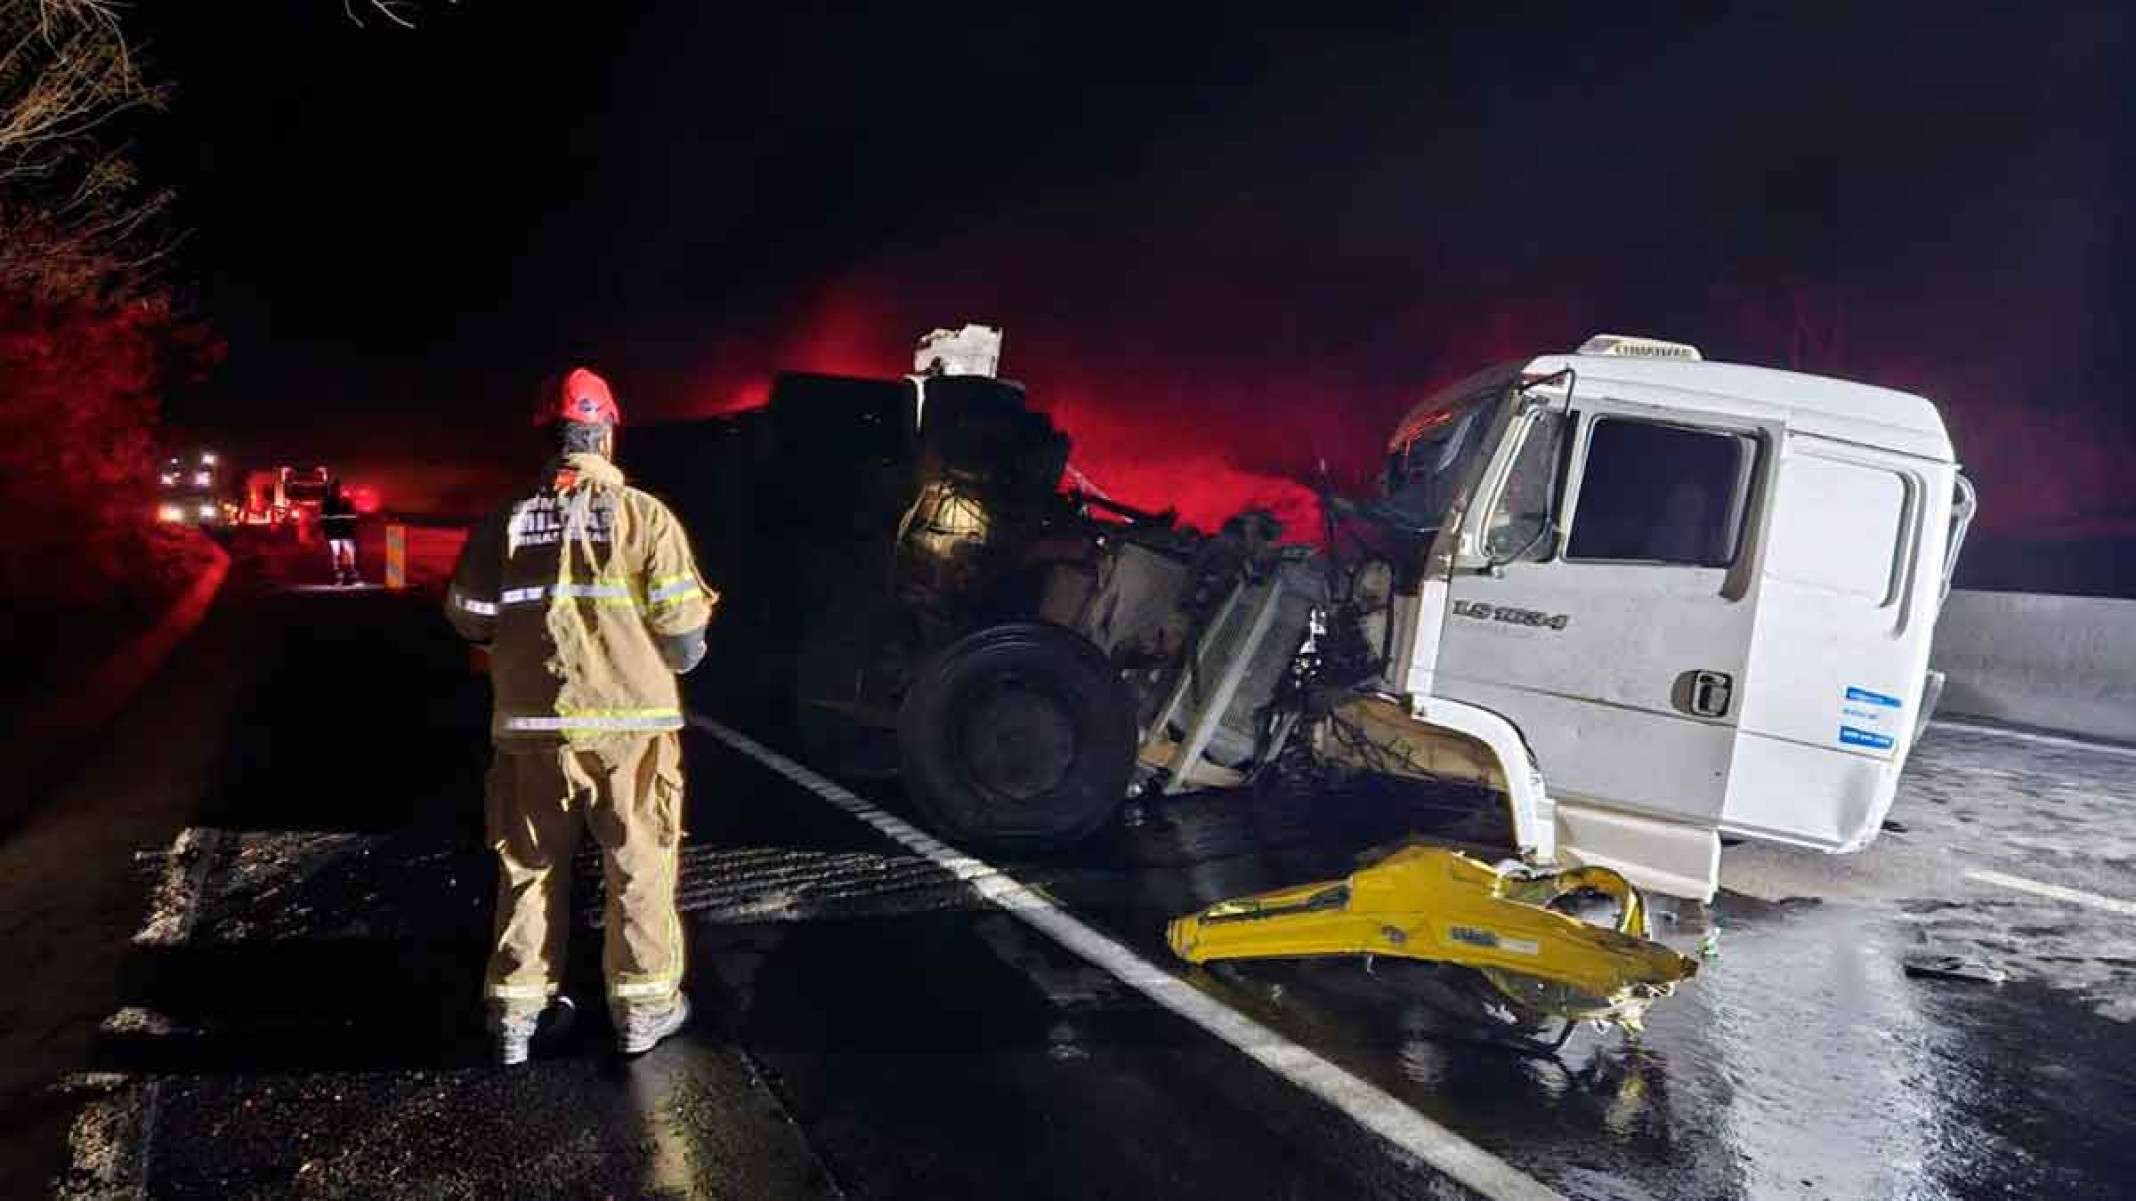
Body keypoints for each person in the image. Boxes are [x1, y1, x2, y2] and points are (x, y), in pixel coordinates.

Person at [444, 367, 717, 1064]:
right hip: (633, 733)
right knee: (640, 867)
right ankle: (645, 1010)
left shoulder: (505, 520)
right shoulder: (646, 517)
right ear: (606, 435)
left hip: (532, 736)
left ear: (548, 437)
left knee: (529, 868)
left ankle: (515, 1017)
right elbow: (684, 643)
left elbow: (469, 620)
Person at [321, 479, 360, 585]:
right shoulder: (332, 501)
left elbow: (324, 517)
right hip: (341, 532)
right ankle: (346, 577)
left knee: (342, 554)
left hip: (338, 532)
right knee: (343, 554)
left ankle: (343, 577)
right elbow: (353, 515)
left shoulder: (329, 501)